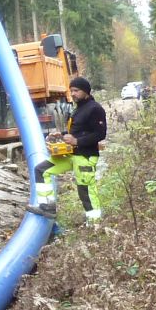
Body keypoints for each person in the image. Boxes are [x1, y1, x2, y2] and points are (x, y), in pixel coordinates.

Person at [37, 76, 107, 223]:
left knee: (85, 190)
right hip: (71, 154)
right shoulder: (78, 108)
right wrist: (61, 135)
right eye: (71, 91)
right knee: (41, 170)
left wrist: (77, 141)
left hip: (86, 156)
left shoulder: (95, 109)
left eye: (76, 90)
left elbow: (100, 134)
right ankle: (47, 206)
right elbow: (78, 130)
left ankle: (95, 223)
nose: (73, 94)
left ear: (86, 92)